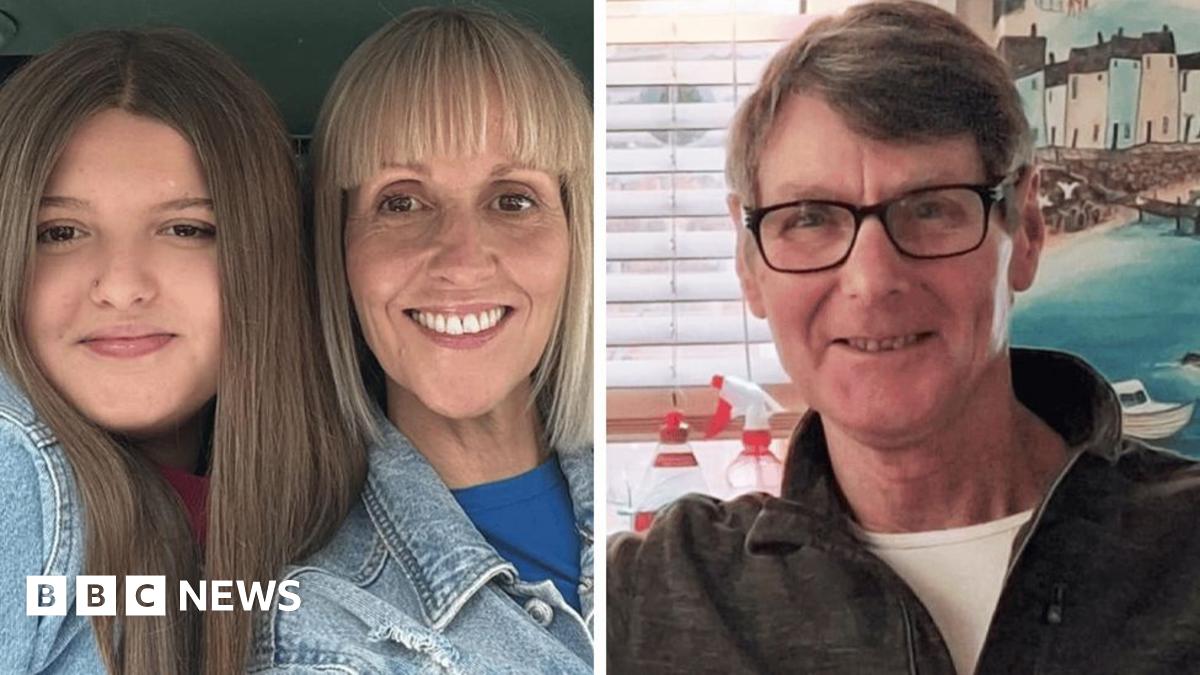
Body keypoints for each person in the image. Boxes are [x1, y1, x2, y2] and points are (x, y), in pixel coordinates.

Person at [608, 2, 1200, 673]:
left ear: (1027, 231)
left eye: (929, 208)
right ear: (750, 264)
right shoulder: (652, 597)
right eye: (808, 218)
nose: (870, 278)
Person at [0, 29, 364, 674]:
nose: (120, 286)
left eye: (185, 229)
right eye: (59, 232)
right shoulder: (16, 470)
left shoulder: (329, 501)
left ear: (264, 258)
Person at [248, 7, 593, 674]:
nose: (462, 260)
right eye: (401, 202)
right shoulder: (315, 625)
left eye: (513, 200)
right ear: (339, 248)